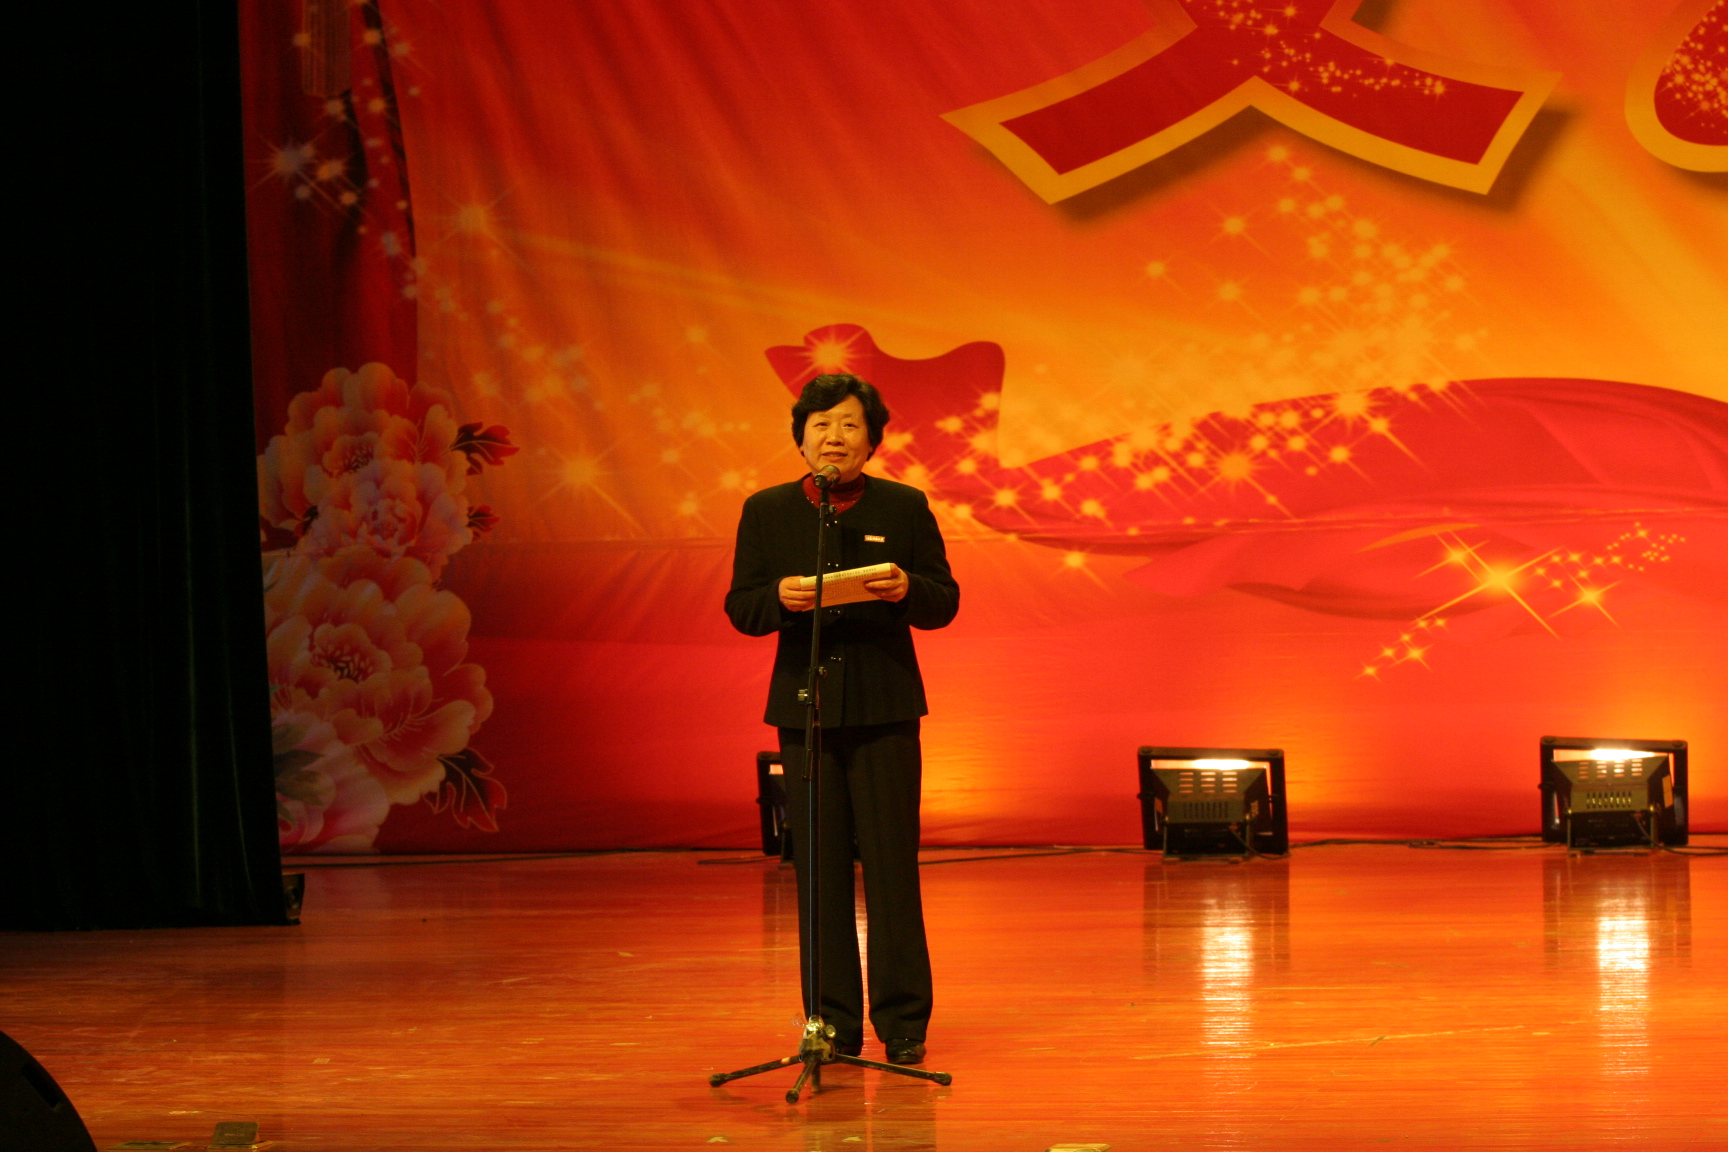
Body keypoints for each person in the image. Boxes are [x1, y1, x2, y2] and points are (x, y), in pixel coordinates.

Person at [725, 373, 960, 1066]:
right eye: (821, 425)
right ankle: (829, 1023)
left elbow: (943, 600)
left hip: (886, 708)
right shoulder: (767, 511)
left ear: (872, 440)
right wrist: (780, 596)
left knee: (892, 869)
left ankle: (903, 1023)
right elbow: (742, 607)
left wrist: (906, 588)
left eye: (850, 424)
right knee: (818, 872)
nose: (835, 436)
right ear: (801, 440)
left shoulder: (904, 505)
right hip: (807, 712)